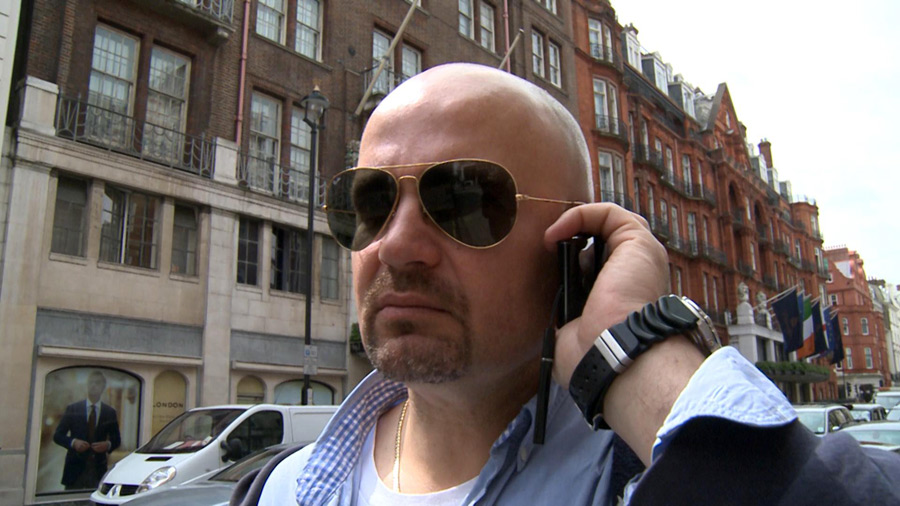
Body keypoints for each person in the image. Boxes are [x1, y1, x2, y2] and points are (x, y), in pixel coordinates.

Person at [234, 63, 900, 505]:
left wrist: (634, 345)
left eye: (462, 200)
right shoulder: (276, 490)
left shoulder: (651, 478)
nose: (395, 244)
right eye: (371, 202)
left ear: (581, 253)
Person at [53, 370, 121, 490]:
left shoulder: (109, 412)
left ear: (103, 387)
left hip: (97, 470)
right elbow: (58, 436)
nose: (93, 385)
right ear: (87, 386)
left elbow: (116, 439)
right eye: (91, 382)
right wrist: (73, 443)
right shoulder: (73, 409)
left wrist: (107, 445)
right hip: (74, 470)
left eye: (97, 383)